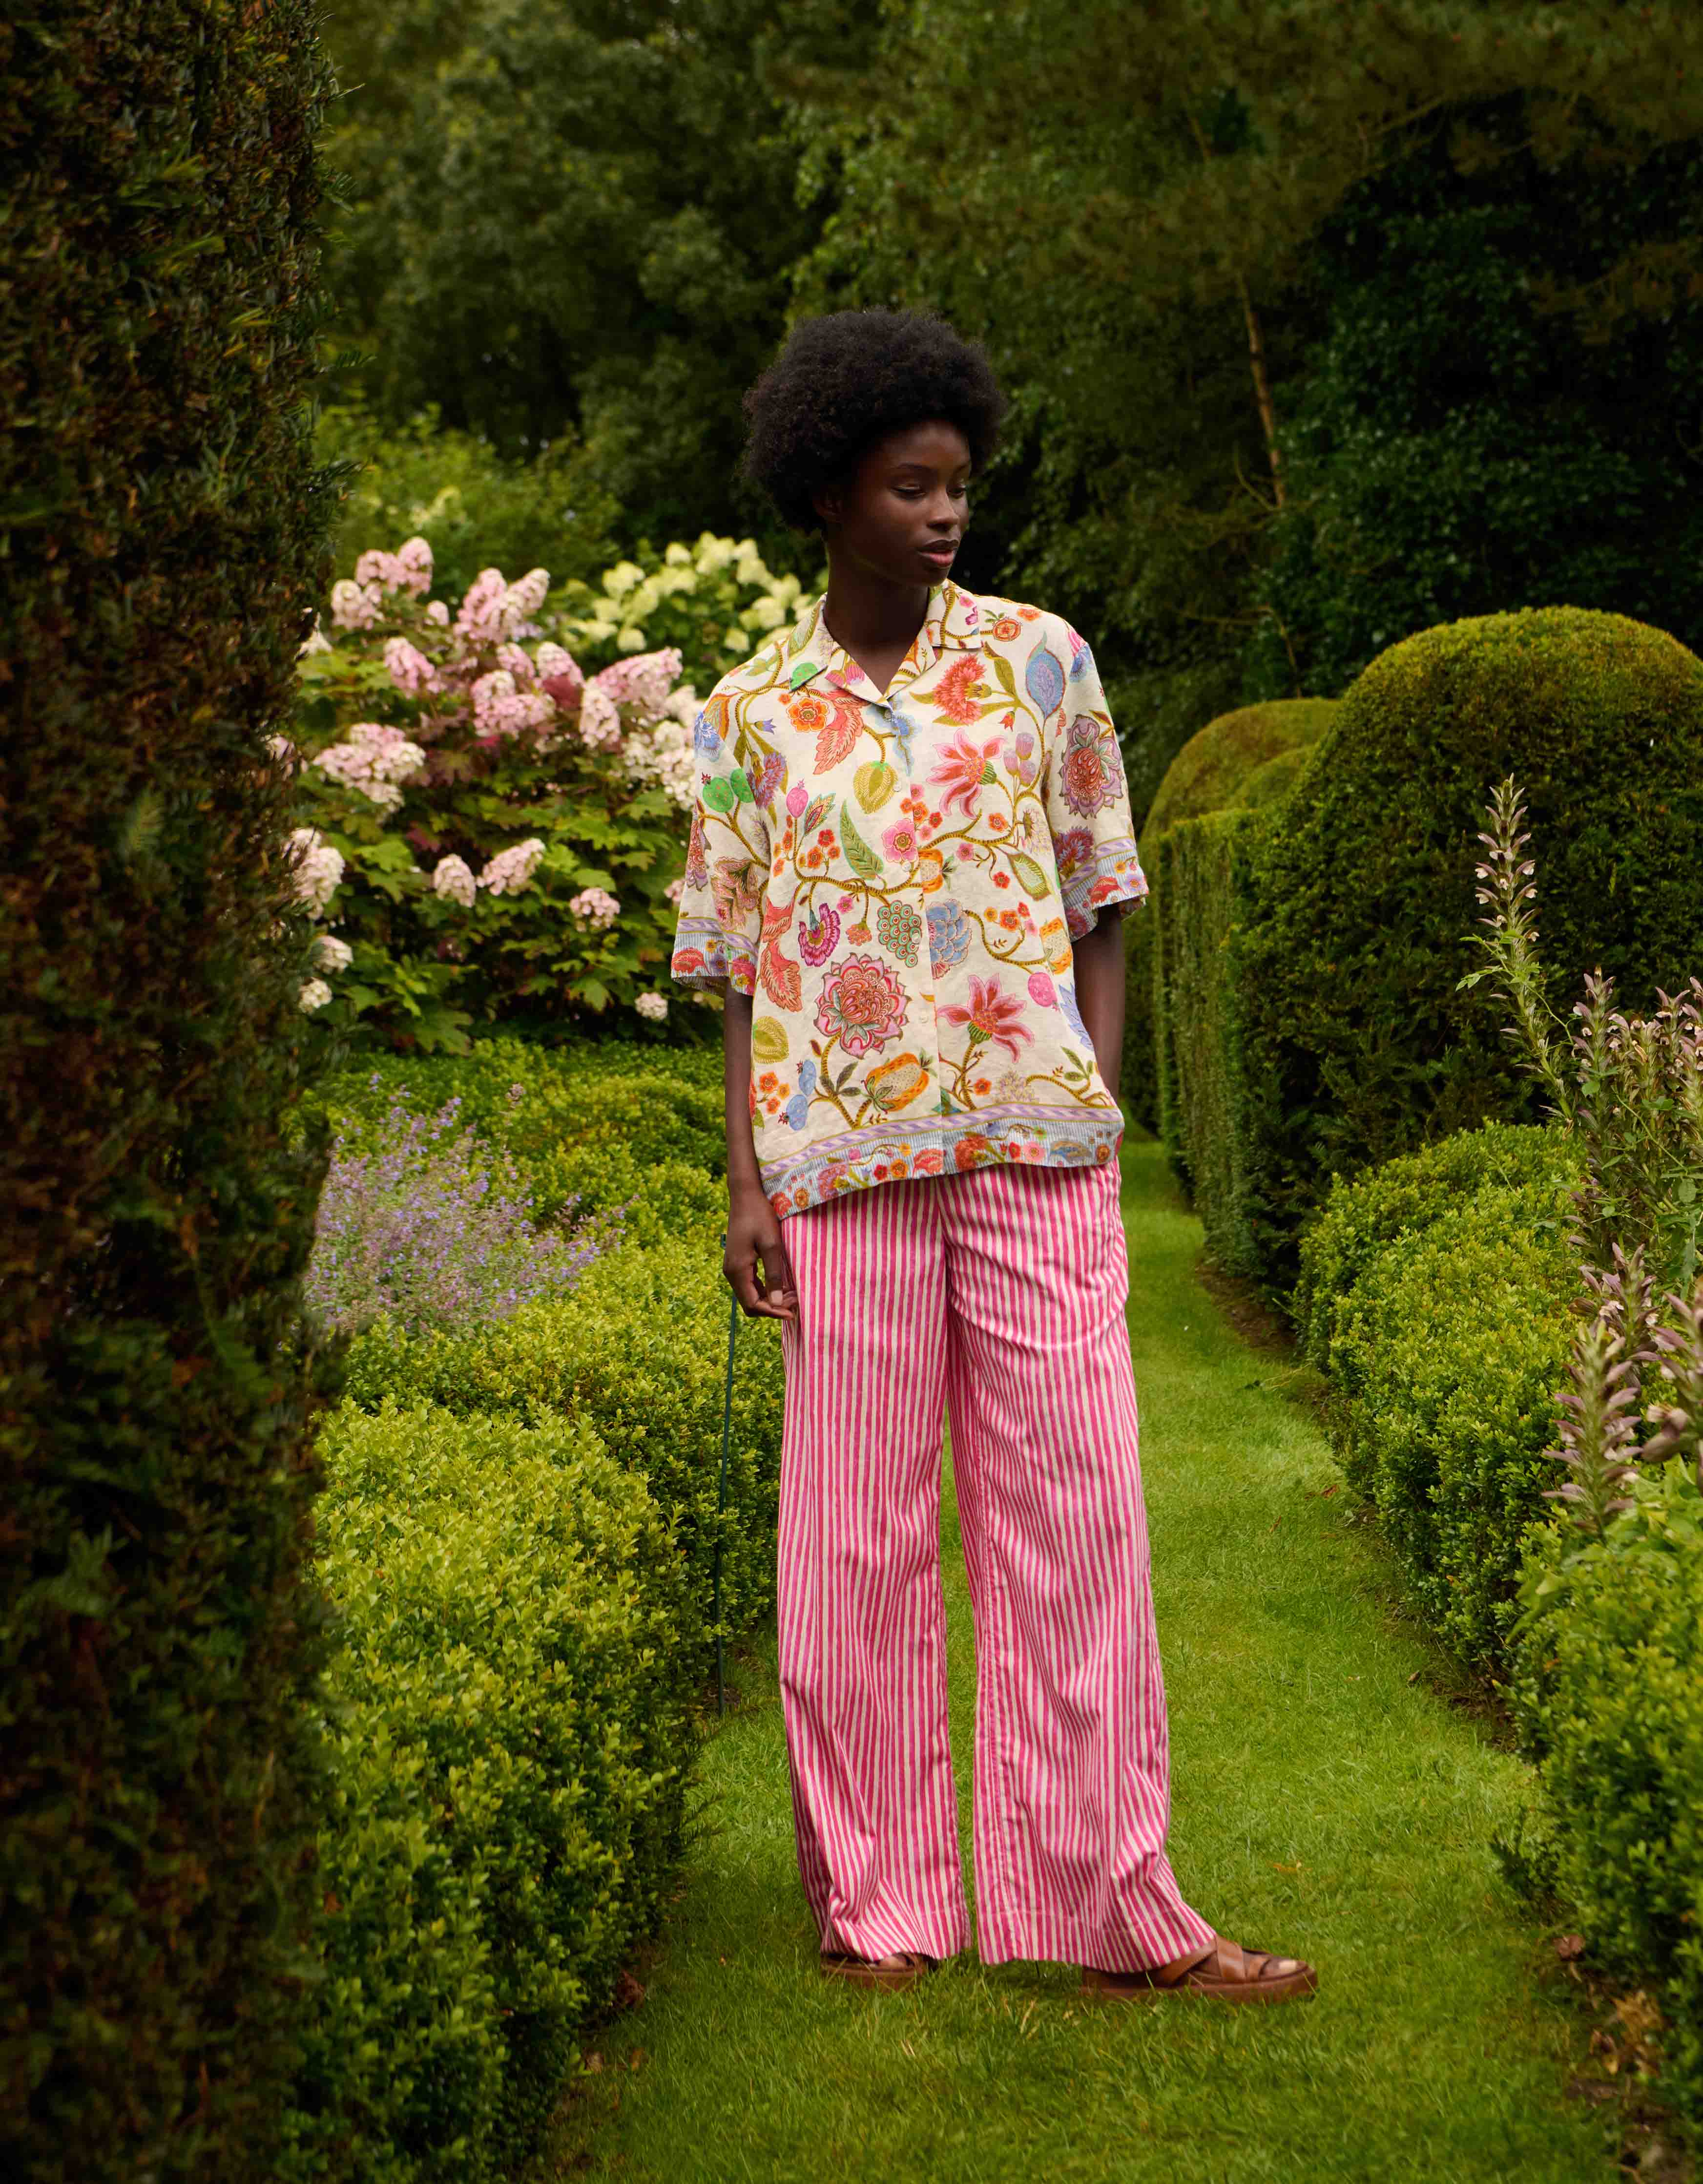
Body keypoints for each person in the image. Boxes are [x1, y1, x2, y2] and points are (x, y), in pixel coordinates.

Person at [669, 308, 1315, 2006]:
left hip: (1036, 1157)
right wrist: (744, 1181)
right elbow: (732, 966)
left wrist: (1093, 1093)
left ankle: (1108, 1905)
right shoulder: (749, 714)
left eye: (958, 483)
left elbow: (1106, 894)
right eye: (911, 486)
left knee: (1078, 1523)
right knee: (850, 1548)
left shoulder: (1042, 660)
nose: (946, 512)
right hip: (837, 1167)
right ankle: (881, 1904)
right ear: (829, 492)